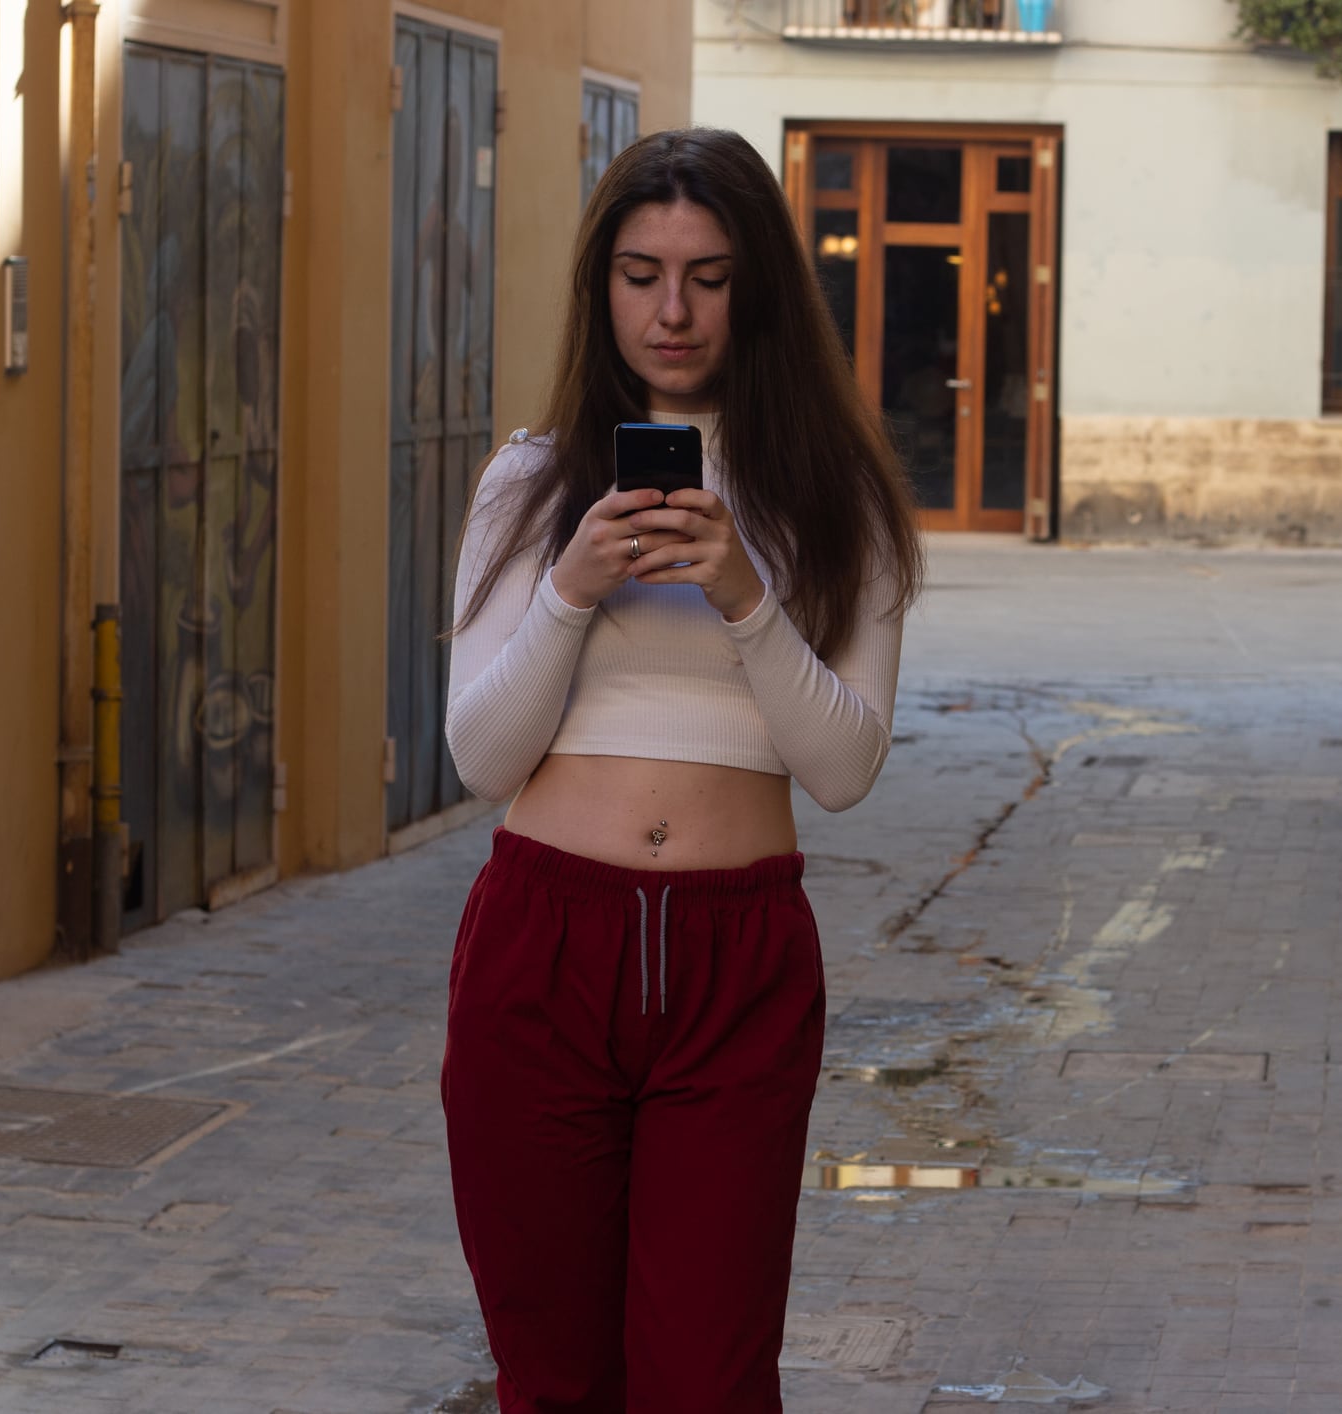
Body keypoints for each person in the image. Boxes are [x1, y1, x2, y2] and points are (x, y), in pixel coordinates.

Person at [438, 127, 923, 1412]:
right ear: (600, 285)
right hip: (544, 946)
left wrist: (747, 596)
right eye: (641, 271)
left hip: (737, 961)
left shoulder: (834, 496)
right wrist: (571, 588)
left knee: (709, 1379)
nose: (671, 309)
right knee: (552, 1375)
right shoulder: (532, 483)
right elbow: (483, 758)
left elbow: (843, 768)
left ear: (757, 284)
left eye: (708, 275)